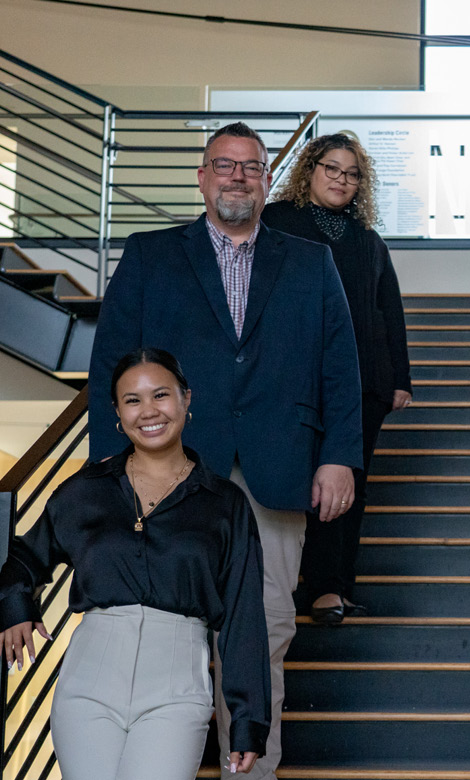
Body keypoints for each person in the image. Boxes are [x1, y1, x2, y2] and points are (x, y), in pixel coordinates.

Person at [88, 122, 363, 780]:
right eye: (225, 165)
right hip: (170, 476)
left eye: (251, 167)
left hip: (276, 472)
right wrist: (111, 475)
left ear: (268, 180)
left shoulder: (307, 261)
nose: (238, 177)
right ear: (202, 177)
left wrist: (338, 457)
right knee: (168, 635)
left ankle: (252, 774)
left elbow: (340, 369)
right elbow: (111, 369)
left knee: (264, 633)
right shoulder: (151, 255)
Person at [0, 348, 270, 780]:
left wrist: (248, 720)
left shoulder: (224, 504)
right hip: (88, 681)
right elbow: (28, 555)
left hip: (176, 687)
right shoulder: (85, 490)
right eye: (132, 400)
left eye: (160, 395)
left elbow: (243, 616)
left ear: (186, 399)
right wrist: (14, 606)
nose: (148, 411)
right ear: (117, 413)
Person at [261, 133, 412, 625]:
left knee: (352, 485)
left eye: (352, 174)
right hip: (294, 381)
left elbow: (388, 310)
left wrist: (400, 378)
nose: (342, 180)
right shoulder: (277, 223)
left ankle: (333, 586)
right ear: (310, 169)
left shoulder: (368, 240)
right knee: (296, 479)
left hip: (364, 383)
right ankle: (288, 586)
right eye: (332, 169)